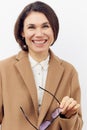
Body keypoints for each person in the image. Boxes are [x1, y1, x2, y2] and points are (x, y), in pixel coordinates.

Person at [0, 1, 83, 130]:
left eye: (45, 26)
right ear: (22, 32)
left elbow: (77, 127)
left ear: (53, 30)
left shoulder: (69, 72)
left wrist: (69, 116)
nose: (39, 34)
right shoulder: (3, 70)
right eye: (31, 27)